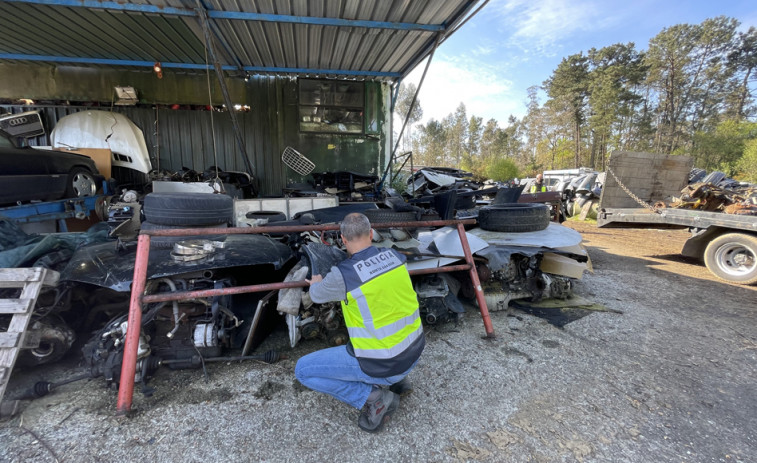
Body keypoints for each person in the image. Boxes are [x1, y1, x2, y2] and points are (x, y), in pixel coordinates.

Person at [295, 212, 425, 433]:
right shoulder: (394, 257)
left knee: (303, 371)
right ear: (372, 233)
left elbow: (316, 296)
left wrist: (316, 281)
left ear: (343, 239)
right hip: (414, 352)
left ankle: (375, 397)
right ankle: (399, 381)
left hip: (385, 364)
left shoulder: (343, 275)